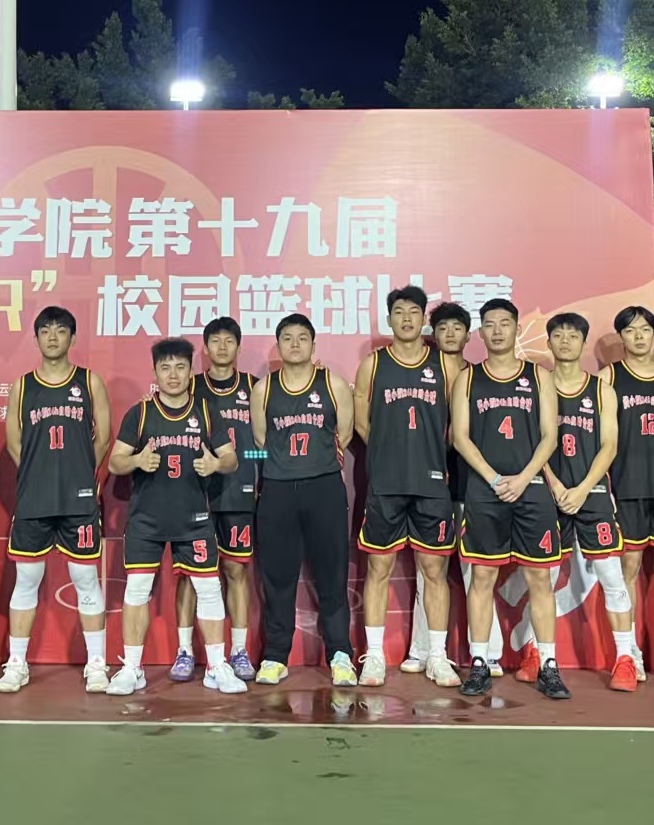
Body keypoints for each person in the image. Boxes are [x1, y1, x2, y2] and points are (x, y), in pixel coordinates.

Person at [106, 339, 246, 694]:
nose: (173, 375)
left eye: (180, 367)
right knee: (137, 591)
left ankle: (217, 666)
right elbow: (115, 462)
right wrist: (137, 460)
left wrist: (216, 464)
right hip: (147, 520)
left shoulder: (206, 411)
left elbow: (231, 458)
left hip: (193, 519)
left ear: (190, 372)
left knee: (209, 589)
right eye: (165, 368)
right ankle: (132, 668)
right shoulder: (140, 413)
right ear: (155, 373)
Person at [453, 298, 568, 700]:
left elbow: (550, 436)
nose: (498, 330)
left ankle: (549, 664)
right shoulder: (468, 378)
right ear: (480, 332)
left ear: (518, 329)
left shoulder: (539, 376)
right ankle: (480, 662)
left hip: (531, 489)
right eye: (490, 324)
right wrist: (494, 478)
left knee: (540, 578)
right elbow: (460, 437)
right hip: (485, 490)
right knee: (482, 577)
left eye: (505, 323)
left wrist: (523, 478)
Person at [0, 307, 112, 694]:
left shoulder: (89, 382)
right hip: (34, 500)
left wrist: (80, 476)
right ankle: (17, 664)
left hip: (78, 501)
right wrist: (38, 474)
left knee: (86, 579)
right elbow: (14, 442)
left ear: (72, 338)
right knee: (26, 580)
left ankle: (96, 663)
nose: (52, 337)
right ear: (36, 338)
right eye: (45, 331)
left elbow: (103, 437)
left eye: (61, 330)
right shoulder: (23, 386)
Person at [354, 284, 462, 688]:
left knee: (434, 570)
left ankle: (437, 656)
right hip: (386, 483)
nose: (406, 319)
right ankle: (374, 657)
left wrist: (429, 454)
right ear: (389, 319)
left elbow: (457, 425)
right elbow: (361, 421)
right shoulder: (374, 364)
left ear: (423, 320)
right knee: (378, 568)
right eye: (399, 312)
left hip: (431, 482)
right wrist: (388, 453)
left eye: (414, 312)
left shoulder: (445, 366)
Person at [249, 313, 357, 687]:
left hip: (324, 488)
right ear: (278, 345)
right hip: (277, 490)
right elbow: (261, 440)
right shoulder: (264, 389)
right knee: (278, 578)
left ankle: (340, 655)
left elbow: (343, 434)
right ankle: (275, 656)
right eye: (287, 338)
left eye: (302, 338)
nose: (295, 344)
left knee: (332, 575)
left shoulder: (333, 384)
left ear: (313, 344)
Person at [544, 312, 640, 692]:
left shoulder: (601, 389)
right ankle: (538, 653)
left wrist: (583, 488)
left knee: (612, 576)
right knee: (541, 578)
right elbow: (534, 445)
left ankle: (625, 658)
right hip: (549, 492)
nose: (565, 341)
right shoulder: (539, 387)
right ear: (549, 342)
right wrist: (554, 484)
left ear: (584, 344)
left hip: (592, 493)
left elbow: (609, 445)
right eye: (558, 335)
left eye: (573, 336)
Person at [171, 317, 260, 683]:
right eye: (215, 341)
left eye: (229, 341)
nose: (222, 347)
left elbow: (264, 442)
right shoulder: (189, 387)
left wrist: (253, 468)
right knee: (190, 576)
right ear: (205, 349)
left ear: (238, 346)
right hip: (193, 495)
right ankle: (185, 651)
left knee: (236, 571)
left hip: (239, 492)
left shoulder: (254, 388)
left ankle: (238, 650)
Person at [606, 305, 654, 682]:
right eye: (631, 330)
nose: (638, 336)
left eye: (645, 330)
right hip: (627, 485)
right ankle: (630, 651)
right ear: (622, 337)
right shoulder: (609, 377)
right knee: (628, 568)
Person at [406, 301, 474, 673]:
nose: (449, 334)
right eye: (442, 327)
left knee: (476, 569)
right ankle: (422, 650)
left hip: (469, 481)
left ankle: (485, 653)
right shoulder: (418, 373)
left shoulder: (479, 376)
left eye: (456, 328)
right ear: (432, 333)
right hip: (425, 481)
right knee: (428, 569)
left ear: (468, 334)